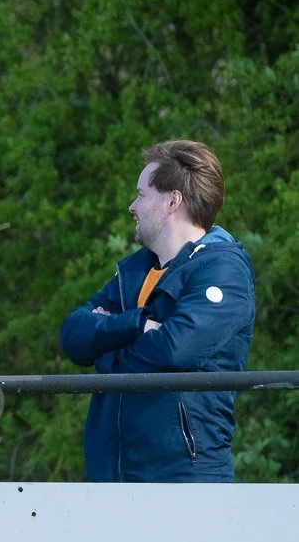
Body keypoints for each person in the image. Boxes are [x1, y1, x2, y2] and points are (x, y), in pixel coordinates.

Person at [60, 140, 255, 482]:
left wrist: (106, 353)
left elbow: (175, 347)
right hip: (113, 481)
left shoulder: (223, 268)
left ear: (172, 201)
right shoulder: (133, 272)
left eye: (141, 194)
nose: (132, 206)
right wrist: (138, 325)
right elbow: (74, 335)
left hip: (186, 480)